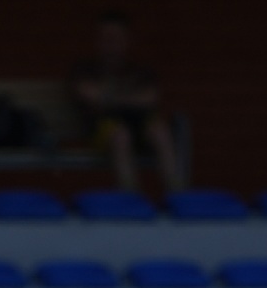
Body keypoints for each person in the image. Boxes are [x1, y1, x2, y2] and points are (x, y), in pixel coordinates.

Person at [70, 11, 184, 197]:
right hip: (103, 130)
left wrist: (109, 98)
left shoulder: (140, 71)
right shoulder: (85, 69)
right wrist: (130, 98)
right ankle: (131, 199)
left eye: (117, 38)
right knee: (120, 135)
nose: (111, 44)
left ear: (127, 41)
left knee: (161, 131)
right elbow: (88, 95)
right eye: (106, 38)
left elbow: (150, 98)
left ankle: (178, 197)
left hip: (140, 127)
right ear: (97, 41)